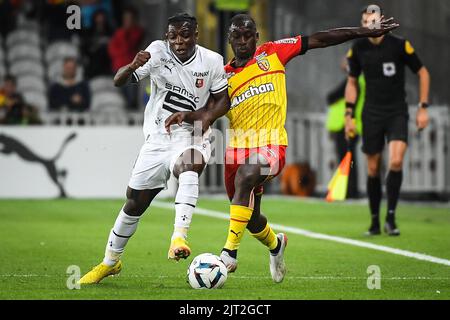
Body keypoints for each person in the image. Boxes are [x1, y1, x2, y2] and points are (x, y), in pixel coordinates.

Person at [166, 13, 398, 282]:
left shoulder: (273, 53)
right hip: (235, 152)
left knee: (247, 174)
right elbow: (208, 111)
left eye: (247, 35)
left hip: (272, 145)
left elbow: (320, 39)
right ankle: (276, 245)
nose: (242, 41)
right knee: (251, 220)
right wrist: (186, 115)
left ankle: (229, 254)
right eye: (236, 36)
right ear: (229, 39)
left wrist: (363, 32)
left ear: (256, 37)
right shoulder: (222, 76)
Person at [78, 13, 229, 284]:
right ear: (166, 37)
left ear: (196, 35)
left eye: (185, 35)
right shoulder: (157, 51)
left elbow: (221, 102)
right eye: (173, 36)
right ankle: (110, 262)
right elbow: (118, 81)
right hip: (158, 138)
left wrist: (203, 118)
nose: (179, 41)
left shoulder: (212, 61)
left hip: (192, 134)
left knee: (189, 164)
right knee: (134, 202)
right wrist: (132, 65)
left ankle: (179, 236)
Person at [345, 5, 430, 236]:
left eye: (372, 21)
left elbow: (422, 72)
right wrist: (348, 114)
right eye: (365, 21)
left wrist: (423, 108)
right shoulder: (358, 47)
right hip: (371, 113)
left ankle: (391, 218)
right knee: (373, 168)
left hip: (396, 112)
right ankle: (374, 221)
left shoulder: (400, 45)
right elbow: (352, 83)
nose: (368, 25)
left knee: (395, 162)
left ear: (381, 21)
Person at [326, 58, 365, 199]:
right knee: (349, 158)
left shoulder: (353, 81)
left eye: (347, 61)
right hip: (349, 125)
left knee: (347, 158)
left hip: (346, 125)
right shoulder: (359, 80)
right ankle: (349, 191)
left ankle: (349, 192)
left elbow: (331, 96)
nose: (342, 63)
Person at [108, 7, 144, 110]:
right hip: (118, 68)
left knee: (132, 97)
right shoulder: (119, 33)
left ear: (135, 19)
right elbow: (112, 50)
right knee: (119, 97)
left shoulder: (138, 33)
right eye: (125, 18)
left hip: (132, 69)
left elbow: (130, 47)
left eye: (130, 18)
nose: (127, 21)